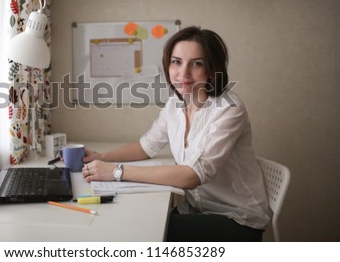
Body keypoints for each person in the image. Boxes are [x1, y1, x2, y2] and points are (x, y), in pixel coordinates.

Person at [82, 26, 270, 241]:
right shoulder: (175, 104)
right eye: (176, 62)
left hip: (236, 219)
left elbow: (191, 176)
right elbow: (146, 146)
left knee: (141, 232)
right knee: (132, 217)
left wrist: (115, 171)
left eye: (196, 63)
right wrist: (102, 158)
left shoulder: (228, 108)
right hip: (196, 210)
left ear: (211, 69)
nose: (183, 73)